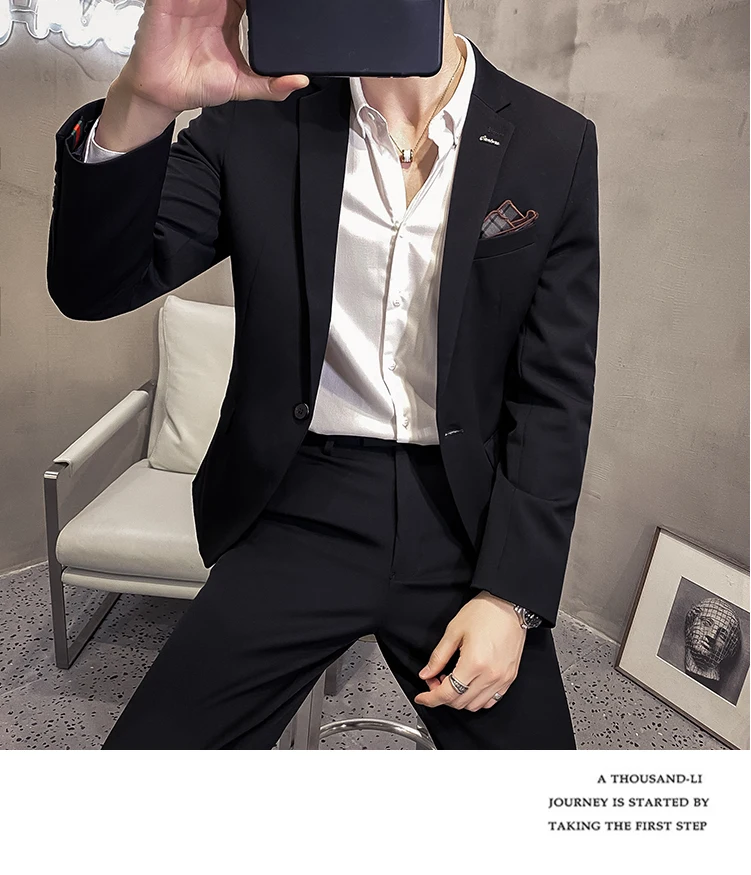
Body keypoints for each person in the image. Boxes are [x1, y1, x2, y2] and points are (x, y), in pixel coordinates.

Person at [46, 0, 599, 749]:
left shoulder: (553, 141)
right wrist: (141, 100)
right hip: (299, 500)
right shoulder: (258, 120)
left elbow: (553, 392)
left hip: (467, 518)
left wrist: (512, 595)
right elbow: (93, 286)